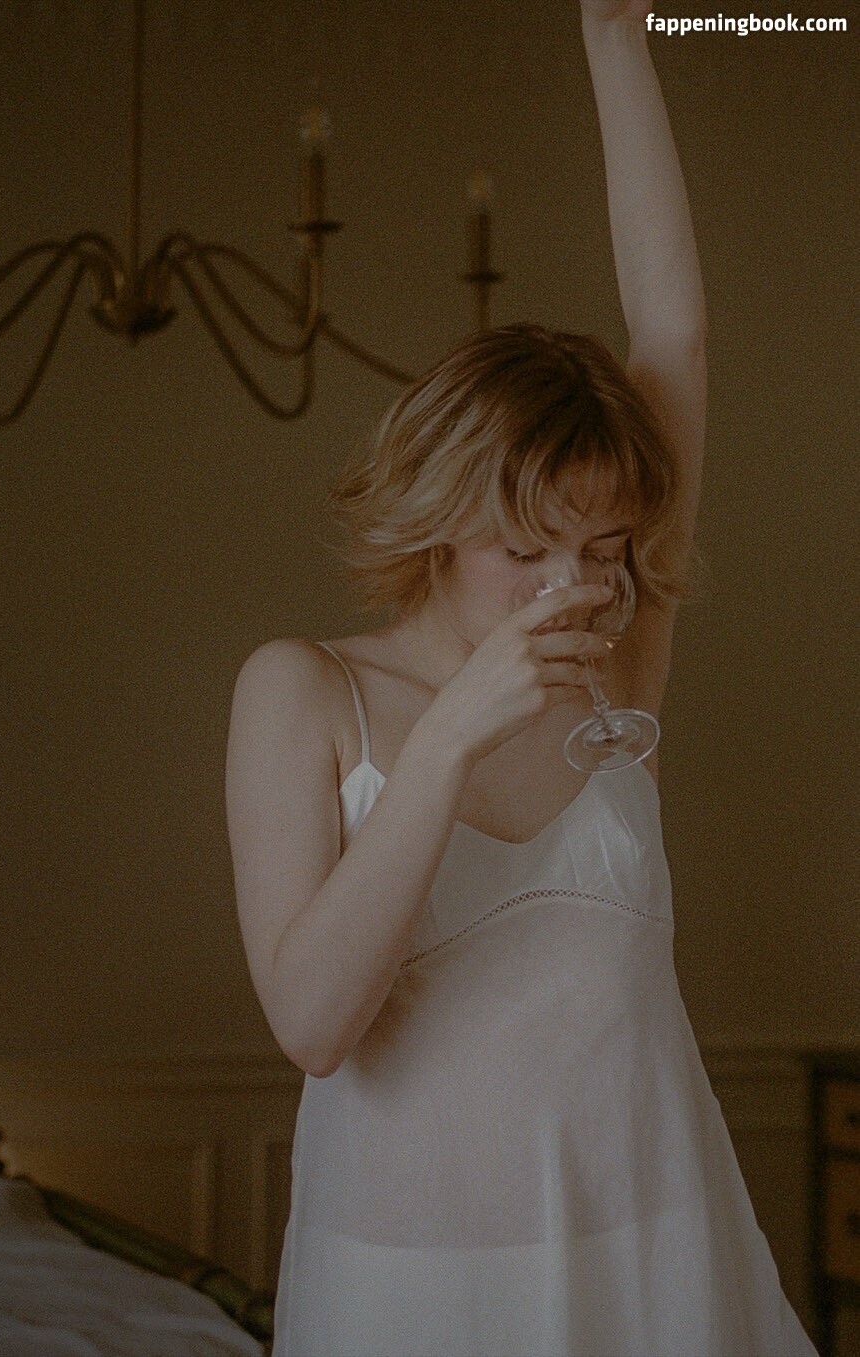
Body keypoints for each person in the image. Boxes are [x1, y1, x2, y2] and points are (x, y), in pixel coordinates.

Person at [223, 3, 820, 1354]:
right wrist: (445, 745)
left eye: (603, 550)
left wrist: (615, 33)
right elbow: (313, 1024)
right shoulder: (301, 689)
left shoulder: (615, 665)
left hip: (657, 1267)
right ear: (438, 521)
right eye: (527, 550)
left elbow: (673, 330)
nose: (574, 588)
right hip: (409, 1291)